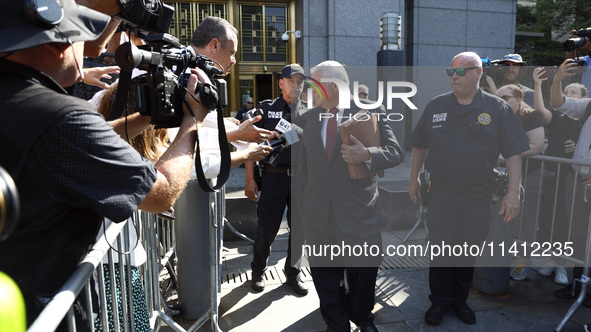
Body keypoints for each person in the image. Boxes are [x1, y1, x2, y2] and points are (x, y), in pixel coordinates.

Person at [0, 1, 211, 329]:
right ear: (58, 44)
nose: (88, 49)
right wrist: (191, 123)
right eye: (77, 36)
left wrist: (144, 118)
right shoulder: (62, 118)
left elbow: (74, 146)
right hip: (44, 307)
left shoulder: (27, 106)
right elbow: (161, 193)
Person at [408, 52, 529, 326]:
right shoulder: (436, 105)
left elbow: (513, 153)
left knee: (466, 252)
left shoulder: (497, 109)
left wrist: (513, 192)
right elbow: (420, 144)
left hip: (476, 196)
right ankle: (439, 302)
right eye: (450, 71)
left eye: (461, 72)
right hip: (440, 194)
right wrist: (413, 177)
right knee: (440, 252)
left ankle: (459, 301)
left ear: (478, 73)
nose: (454, 76)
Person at [294, 60, 403, 331]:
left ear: (332, 85)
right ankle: (337, 323)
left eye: (313, 84)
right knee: (325, 277)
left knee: (363, 274)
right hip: (319, 214)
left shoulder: (371, 109)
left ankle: (362, 318)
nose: (309, 89)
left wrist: (367, 155)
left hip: (358, 213)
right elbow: (304, 167)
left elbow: (395, 152)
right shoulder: (308, 117)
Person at [244, 64, 308, 295]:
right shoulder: (266, 108)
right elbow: (251, 143)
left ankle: (293, 274)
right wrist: (250, 179)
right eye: (292, 80)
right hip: (273, 179)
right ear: (281, 82)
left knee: (299, 230)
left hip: (302, 180)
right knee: (266, 230)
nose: (296, 85)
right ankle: (258, 271)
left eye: (300, 81)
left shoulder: (310, 110)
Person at [532, 67, 585, 285]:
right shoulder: (556, 117)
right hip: (553, 174)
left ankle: (561, 263)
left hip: (573, 177)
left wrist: (578, 147)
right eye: (567, 91)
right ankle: (551, 259)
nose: (568, 95)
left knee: (566, 219)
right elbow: (540, 109)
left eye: (573, 93)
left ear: (583, 99)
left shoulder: (585, 122)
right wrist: (538, 84)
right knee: (548, 217)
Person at [549, 59, 591, 308]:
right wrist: (557, 80)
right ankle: (578, 283)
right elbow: (558, 103)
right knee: (576, 234)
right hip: (576, 180)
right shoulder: (587, 106)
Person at [496, 84, 544, 281]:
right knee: (503, 217)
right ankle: (501, 259)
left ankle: (522, 262)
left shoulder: (531, 116)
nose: (500, 102)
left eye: (504, 98)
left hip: (529, 174)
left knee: (526, 219)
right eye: (497, 98)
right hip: (501, 174)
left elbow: (537, 146)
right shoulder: (500, 114)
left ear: (518, 99)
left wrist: (508, 153)